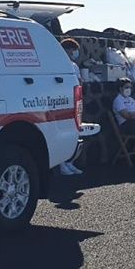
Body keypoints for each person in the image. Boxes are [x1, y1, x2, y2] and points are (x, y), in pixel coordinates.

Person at [57, 38, 85, 175]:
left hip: (75, 101)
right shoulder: (58, 64)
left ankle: (70, 162)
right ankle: (61, 163)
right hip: (63, 100)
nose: (75, 53)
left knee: (74, 132)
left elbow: (79, 82)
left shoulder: (74, 65)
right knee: (63, 131)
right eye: (73, 50)